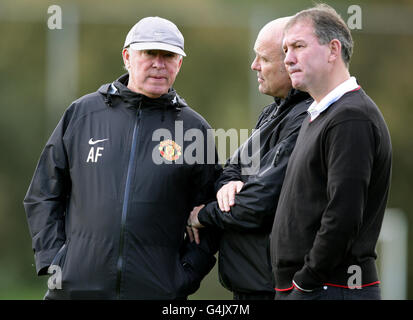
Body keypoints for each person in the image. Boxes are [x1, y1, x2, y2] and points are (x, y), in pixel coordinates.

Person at [23, 16, 220, 300]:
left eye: (168, 56)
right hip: (75, 289)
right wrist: (55, 261)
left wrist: (184, 275)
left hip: (157, 291)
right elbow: (43, 194)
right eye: (149, 53)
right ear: (127, 57)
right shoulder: (82, 115)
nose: (158, 63)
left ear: (179, 64)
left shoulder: (193, 129)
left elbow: (210, 212)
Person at [270, 4, 392, 300]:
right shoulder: (321, 113)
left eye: (298, 46)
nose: (288, 59)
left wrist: (307, 280)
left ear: (332, 49)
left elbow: (344, 213)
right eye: (285, 49)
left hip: (330, 288)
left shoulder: (351, 118)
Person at [187, 18, 312, 300]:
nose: (254, 66)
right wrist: (227, 186)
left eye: (263, 58)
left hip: (278, 288)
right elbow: (231, 169)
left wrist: (203, 216)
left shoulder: (307, 118)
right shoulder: (272, 113)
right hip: (250, 283)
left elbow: (259, 202)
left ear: (290, 62)